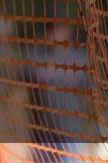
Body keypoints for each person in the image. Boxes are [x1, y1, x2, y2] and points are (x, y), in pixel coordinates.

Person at [21, 20, 94, 162]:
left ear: (68, 30)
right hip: (42, 132)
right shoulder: (37, 56)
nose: (53, 34)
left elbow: (90, 95)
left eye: (57, 29)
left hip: (71, 132)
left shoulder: (80, 59)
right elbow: (21, 86)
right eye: (50, 29)